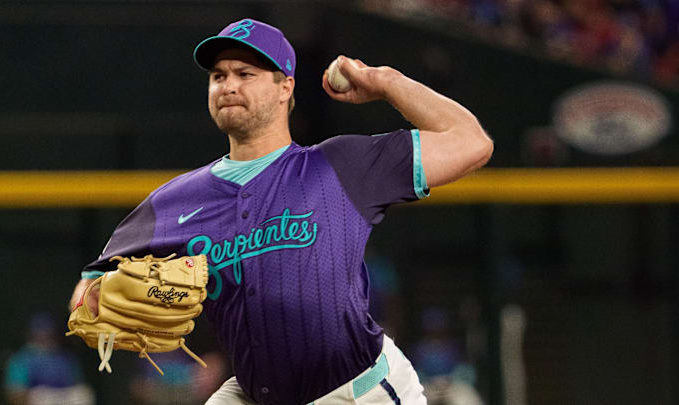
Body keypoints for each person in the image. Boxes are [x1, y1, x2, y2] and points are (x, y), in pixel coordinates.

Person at [68, 17, 492, 405]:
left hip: (358, 392)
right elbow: (86, 296)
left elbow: (471, 142)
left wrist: (386, 81)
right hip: (255, 393)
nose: (228, 85)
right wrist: (113, 299)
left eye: (245, 74)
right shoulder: (172, 202)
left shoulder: (342, 165)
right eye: (218, 76)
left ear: (284, 86)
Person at [4, 312, 94, 405]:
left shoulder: (65, 357)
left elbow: (77, 385)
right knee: (40, 397)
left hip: (64, 399)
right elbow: (14, 393)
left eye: (48, 333)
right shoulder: (22, 359)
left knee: (83, 393)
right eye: (39, 333)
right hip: (40, 399)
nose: (44, 337)